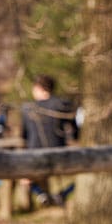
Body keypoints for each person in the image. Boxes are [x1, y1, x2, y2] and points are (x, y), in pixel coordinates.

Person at [21, 74, 78, 207]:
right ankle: (62, 194)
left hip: (34, 155)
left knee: (24, 178)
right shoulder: (62, 104)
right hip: (59, 153)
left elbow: (24, 135)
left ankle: (41, 195)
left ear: (38, 88)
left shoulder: (27, 108)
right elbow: (74, 129)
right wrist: (74, 138)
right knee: (85, 175)